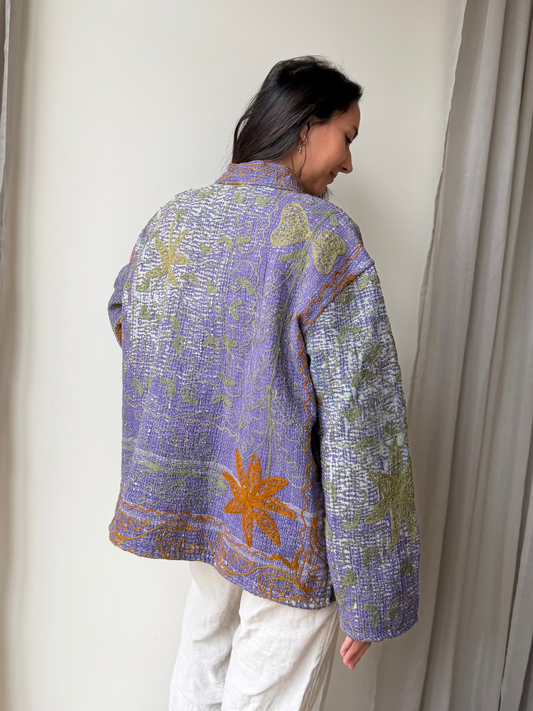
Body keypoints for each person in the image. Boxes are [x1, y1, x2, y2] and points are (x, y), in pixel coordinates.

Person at [107, 55, 420, 711]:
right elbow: (363, 423)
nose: (349, 162)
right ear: (307, 126)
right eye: (347, 136)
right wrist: (370, 588)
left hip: (209, 504)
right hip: (286, 519)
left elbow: (125, 311)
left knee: (201, 658)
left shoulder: (176, 217)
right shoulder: (321, 238)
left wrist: (198, 376)